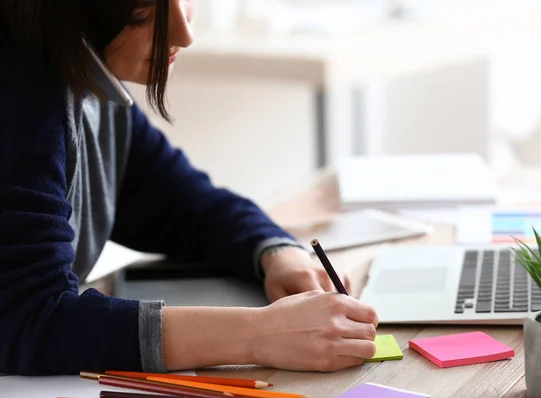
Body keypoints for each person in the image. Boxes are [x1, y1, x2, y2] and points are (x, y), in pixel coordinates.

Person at [0, 0, 379, 376]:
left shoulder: (90, 78)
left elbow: (185, 205)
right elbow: (28, 318)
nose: (185, 33)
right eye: (143, 14)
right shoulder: (19, 91)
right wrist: (261, 333)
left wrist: (278, 254)